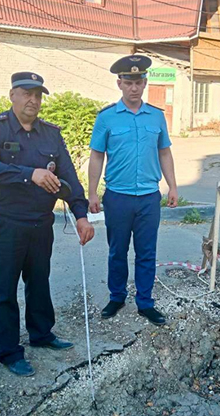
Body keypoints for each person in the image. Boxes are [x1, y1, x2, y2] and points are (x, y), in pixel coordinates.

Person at [0, 71, 95, 376]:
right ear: (12, 95)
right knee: (3, 289)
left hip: (41, 223)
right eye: (27, 93)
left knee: (39, 282)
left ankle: (41, 334)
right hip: (4, 224)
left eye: (38, 95)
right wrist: (30, 174)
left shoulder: (51, 134)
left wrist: (81, 215)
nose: (33, 100)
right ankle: (9, 351)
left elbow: (69, 176)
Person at [87, 55, 178, 326]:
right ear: (119, 83)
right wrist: (92, 193)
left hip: (149, 196)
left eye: (139, 82)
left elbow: (164, 152)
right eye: (129, 82)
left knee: (147, 252)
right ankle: (116, 297)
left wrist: (172, 185)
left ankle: (146, 303)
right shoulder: (107, 118)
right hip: (117, 196)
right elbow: (96, 157)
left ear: (145, 82)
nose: (134, 88)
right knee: (117, 251)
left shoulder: (157, 116)